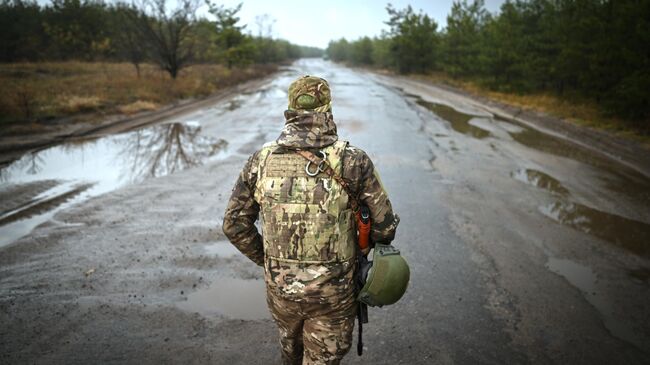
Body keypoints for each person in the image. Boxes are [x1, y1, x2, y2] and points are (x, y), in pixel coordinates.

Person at [223, 75, 399, 365]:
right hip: (335, 294)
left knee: (290, 352)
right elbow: (385, 227)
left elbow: (234, 224)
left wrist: (270, 262)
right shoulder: (354, 161)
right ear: (327, 108)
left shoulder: (261, 159)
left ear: (291, 109)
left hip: (282, 291)